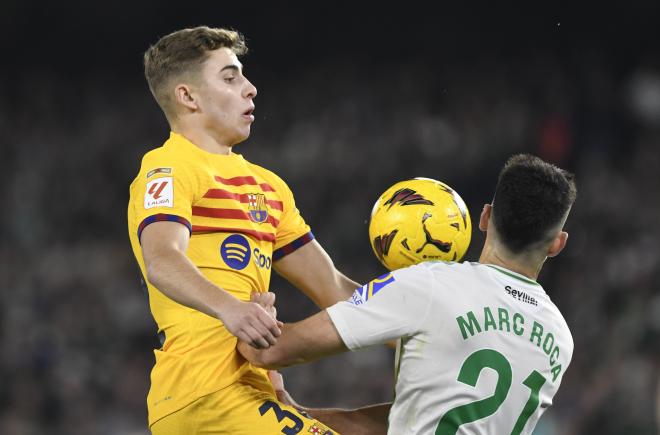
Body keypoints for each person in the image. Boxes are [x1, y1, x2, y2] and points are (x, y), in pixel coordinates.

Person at [239, 154, 578, 435]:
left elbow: (271, 353)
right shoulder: (560, 339)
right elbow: (415, 418)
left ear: (485, 217)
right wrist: (303, 413)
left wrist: (253, 319)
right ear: (557, 243)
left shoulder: (432, 284)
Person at [127, 26, 357, 434]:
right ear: (188, 96)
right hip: (202, 392)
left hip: (251, 392)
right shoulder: (168, 169)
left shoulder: (268, 186)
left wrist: (420, 325)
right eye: (230, 78)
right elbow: (162, 260)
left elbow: (334, 288)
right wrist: (230, 308)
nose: (250, 89)